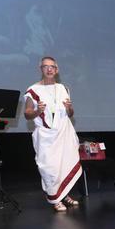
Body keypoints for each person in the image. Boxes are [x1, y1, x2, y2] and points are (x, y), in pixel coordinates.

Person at [24, 57, 82, 212]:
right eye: (46, 66)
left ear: (56, 70)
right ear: (41, 69)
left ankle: (64, 194)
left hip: (64, 132)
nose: (49, 69)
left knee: (64, 165)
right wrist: (38, 111)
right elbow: (27, 114)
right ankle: (55, 198)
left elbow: (70, 113)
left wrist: (69, 108)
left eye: (52, 67)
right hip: (46, 136)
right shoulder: (33, 90)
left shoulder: (63, 88)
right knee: (50, 168)